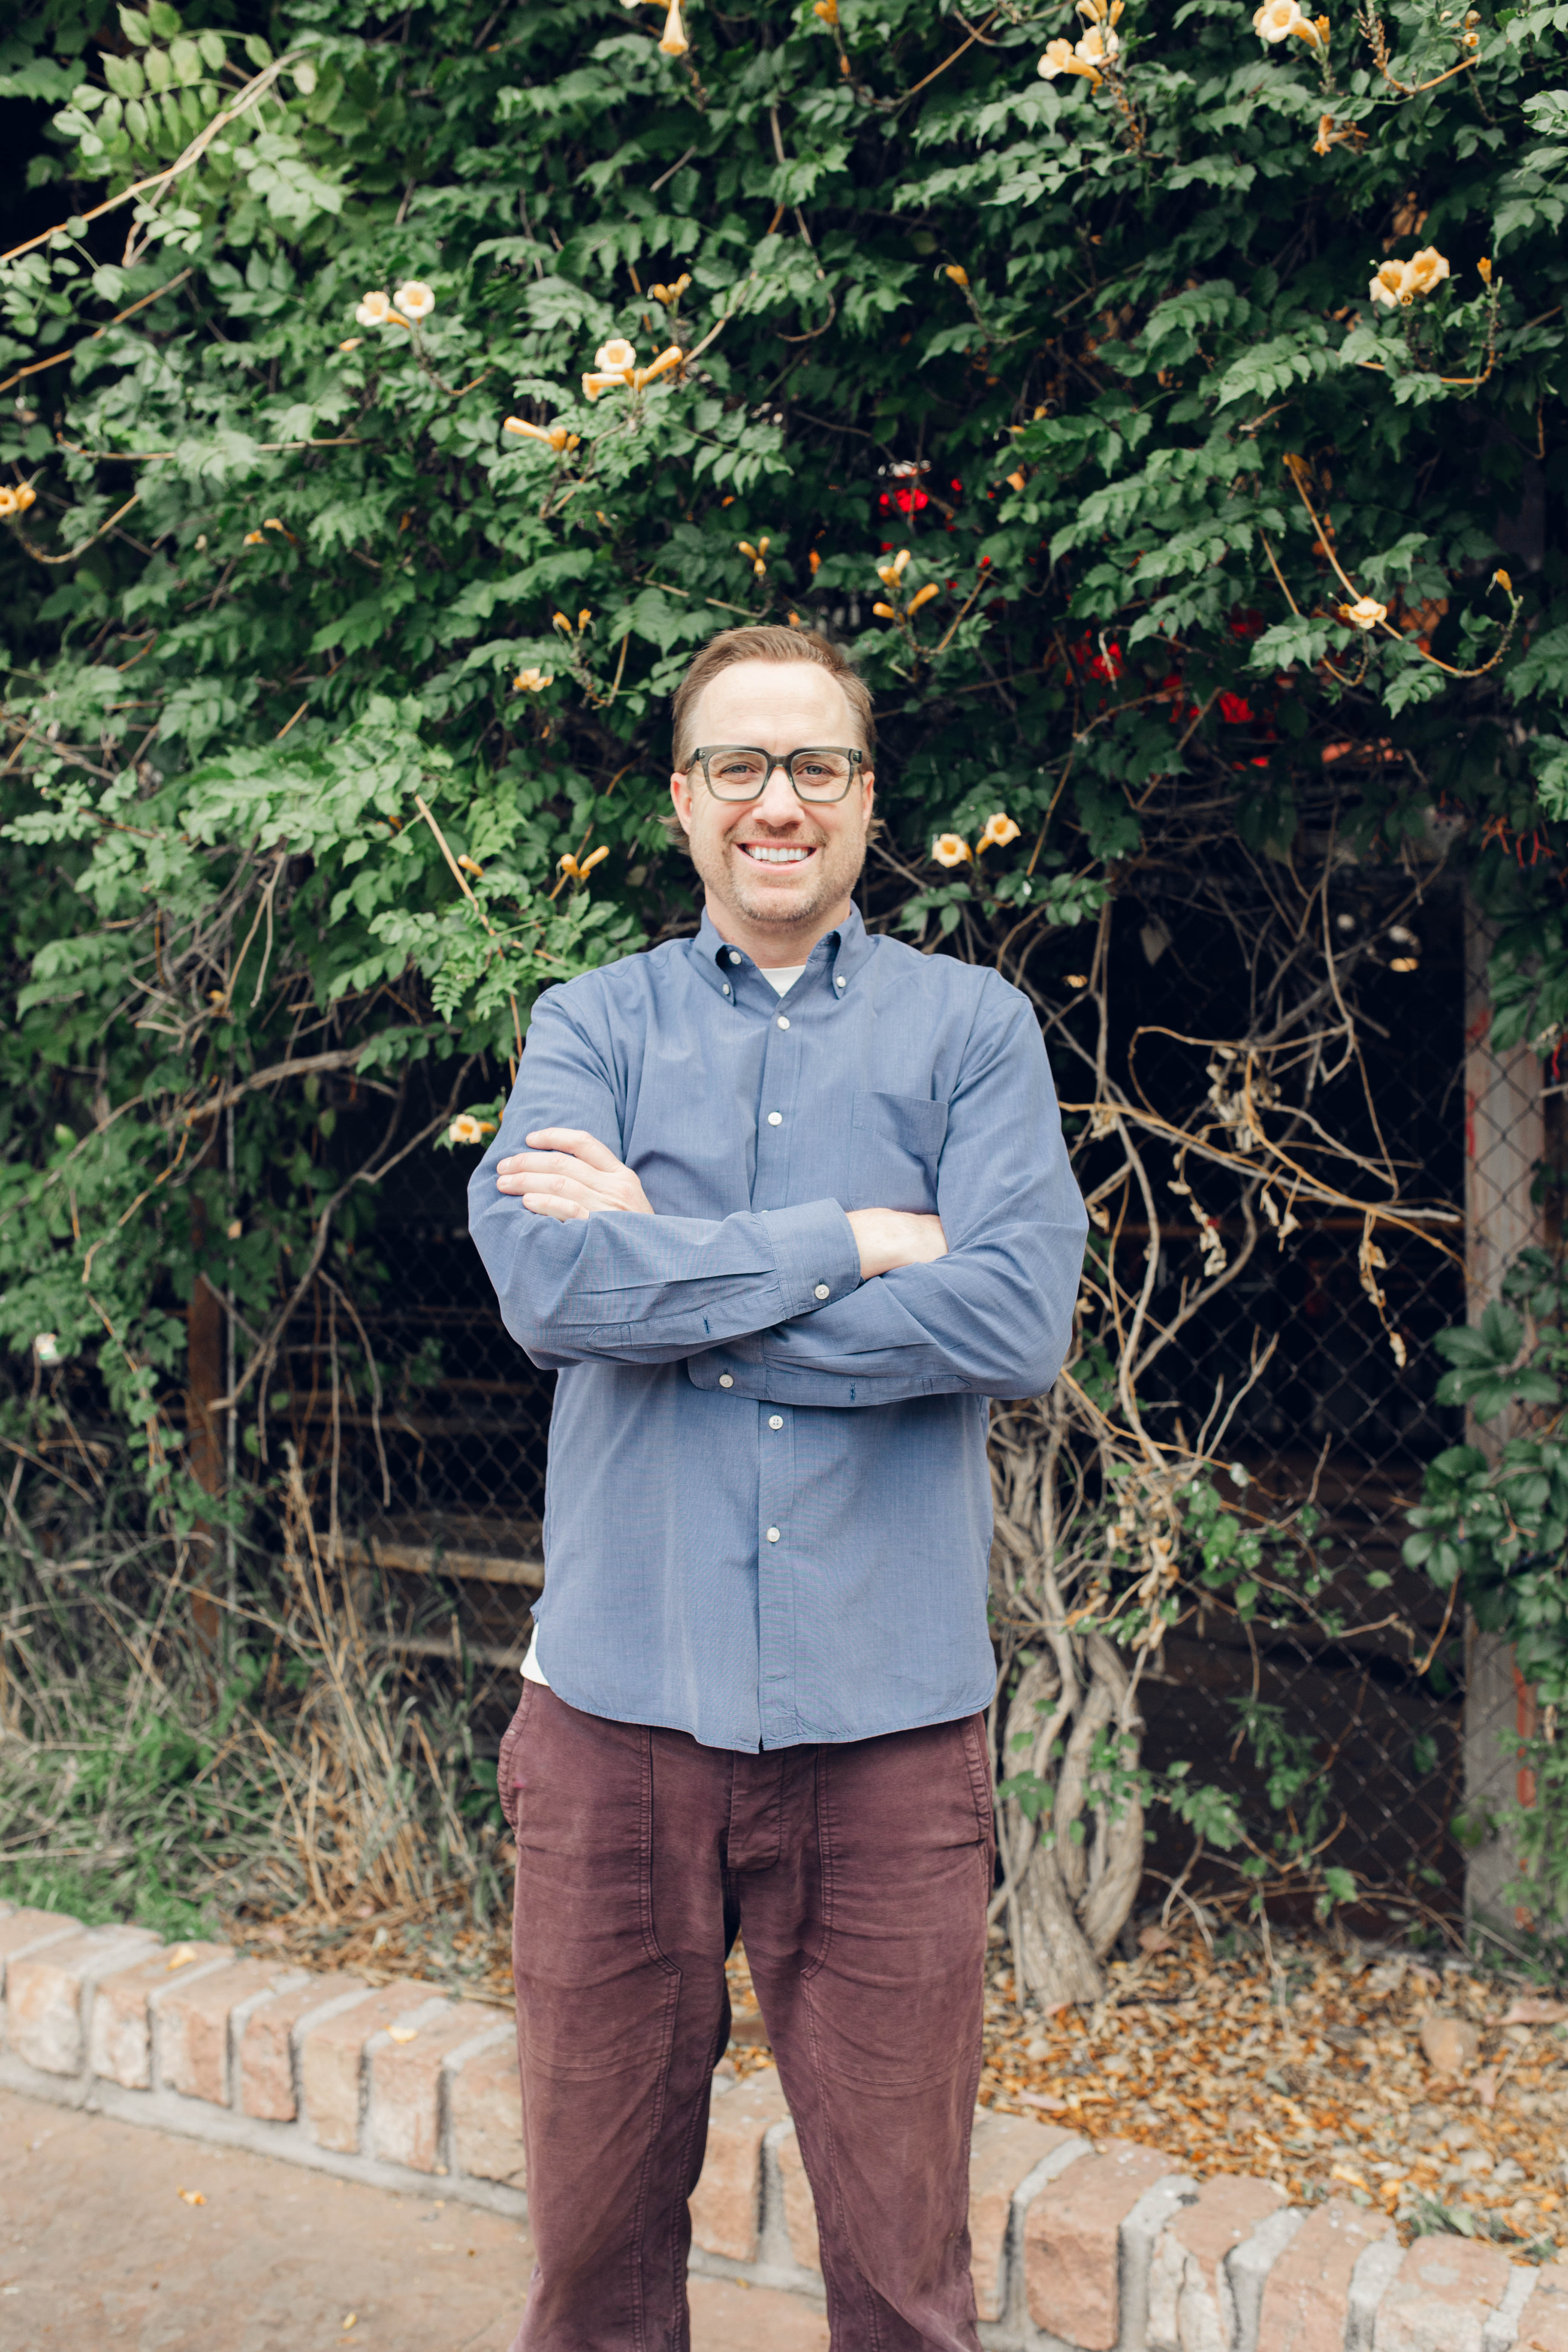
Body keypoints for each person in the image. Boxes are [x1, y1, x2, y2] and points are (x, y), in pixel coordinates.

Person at [468, 624, 1086, 2352]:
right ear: (682, 803)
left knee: (901, 2279)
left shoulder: (972, 1034)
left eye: (813, 765)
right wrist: (849, 1245)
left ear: (866, 801)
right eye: (736, 765)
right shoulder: (587, 1023)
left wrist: (671, 1281)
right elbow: (548, 1294)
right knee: (592, 2269)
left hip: (885, 1739)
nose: (776, 802)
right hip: (614, 1723)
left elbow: (1013, 1315)